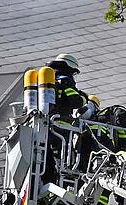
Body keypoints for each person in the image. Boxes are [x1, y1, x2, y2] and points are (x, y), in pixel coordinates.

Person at [44, 53, 88, 185]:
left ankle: (48, 184)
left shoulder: (51, 80)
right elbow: (76, 102)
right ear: (68, 67)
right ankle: (63, 185)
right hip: (60, 126)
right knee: (63, 160)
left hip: (45, 126)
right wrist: (84, 97)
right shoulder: (66, 79)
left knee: (47, 160)